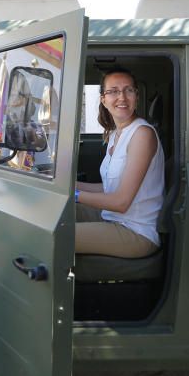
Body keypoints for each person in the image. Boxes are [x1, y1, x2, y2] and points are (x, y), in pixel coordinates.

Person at [75, 68, 164, 258]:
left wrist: (75, 194)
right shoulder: (116, 134)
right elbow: (109, 188)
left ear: (136, 97)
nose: (122, 97)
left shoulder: (142, 134)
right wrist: (66, 186)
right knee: (56, 214)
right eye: (113, 91)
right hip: (113, 218)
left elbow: (121, 202)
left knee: (55, 235)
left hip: (136, 232)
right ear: (103, 99)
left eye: (128, 90)